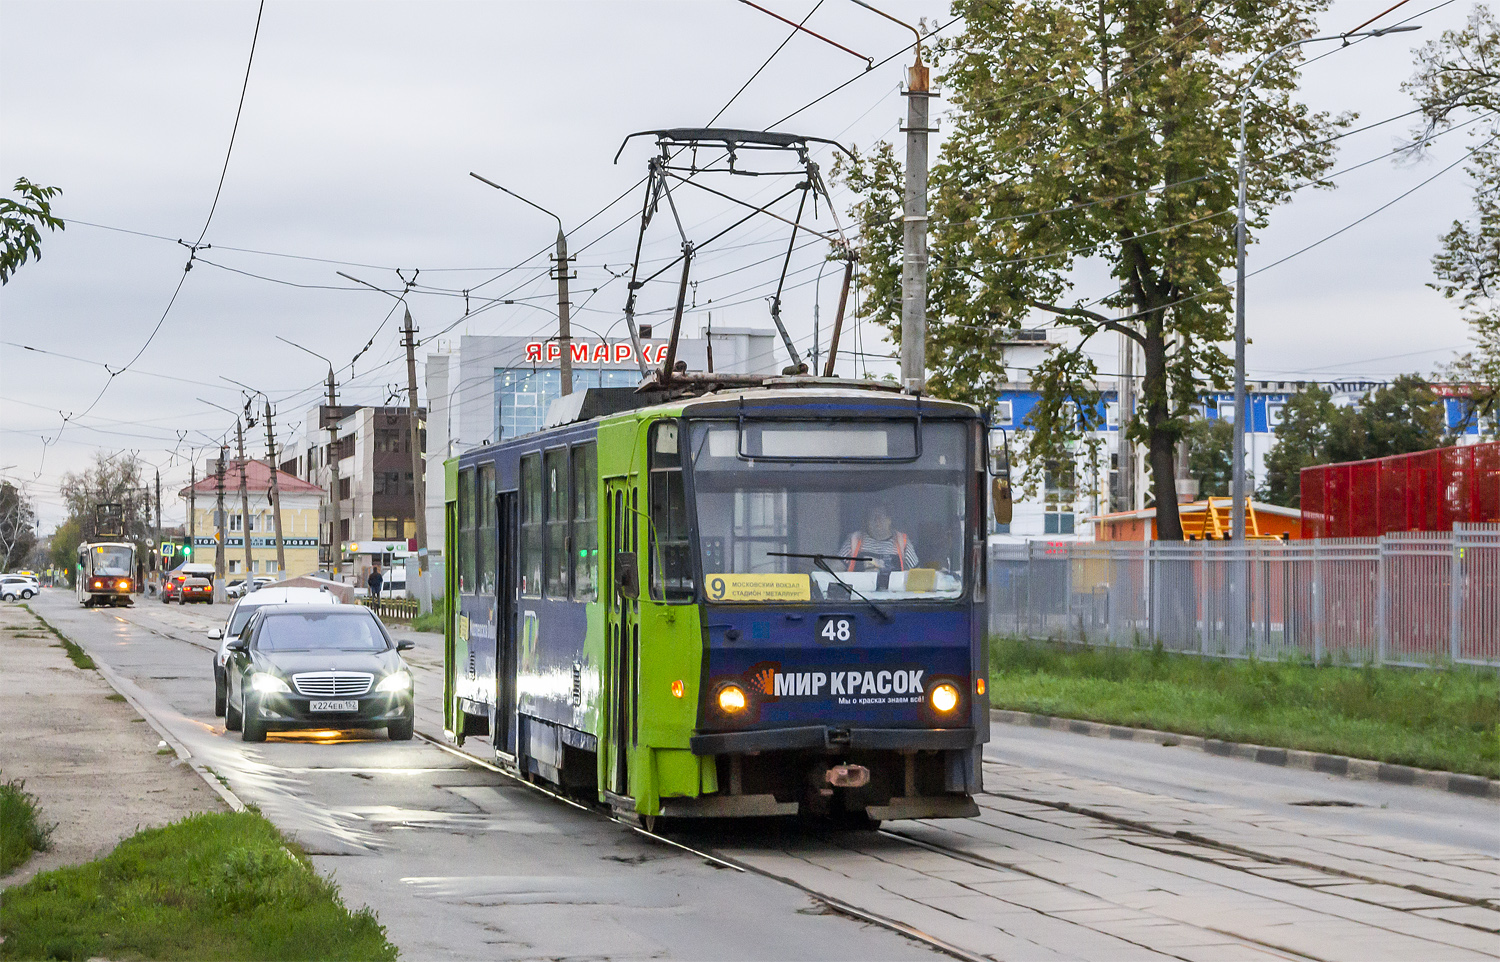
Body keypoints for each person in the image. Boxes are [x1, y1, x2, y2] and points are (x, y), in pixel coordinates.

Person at [839, 504, 917, 572]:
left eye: (881, 516)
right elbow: (835, 569)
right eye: (873, 517)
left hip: (894, 589)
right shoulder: (854, 540)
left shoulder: (903, 542)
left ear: (889, 520)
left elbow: (916, 574)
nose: (877, 521)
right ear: (867, 521)